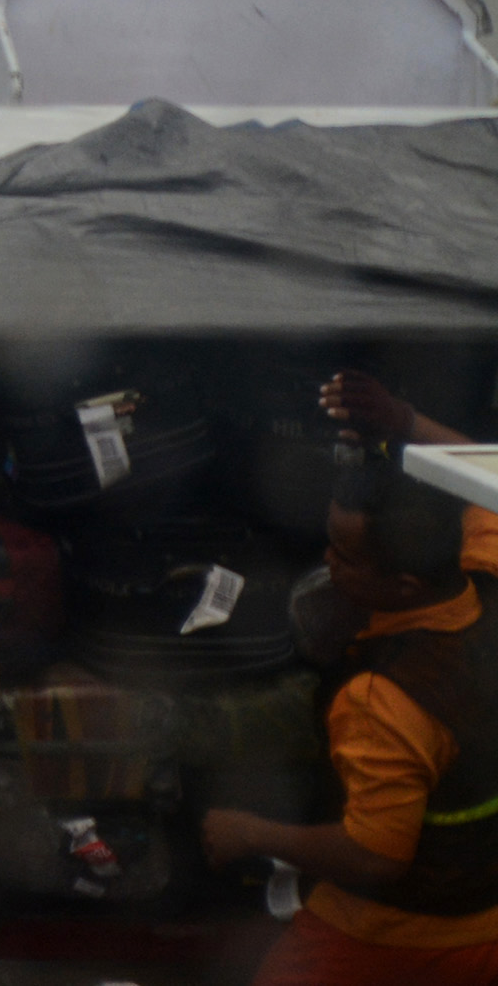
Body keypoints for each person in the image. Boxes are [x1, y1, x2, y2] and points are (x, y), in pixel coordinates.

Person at [200, 375, 498, 984]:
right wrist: (406, 422)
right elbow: (488, 485)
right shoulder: (487, 575)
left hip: (400, 933)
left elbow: (375, 854)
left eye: (345, 555)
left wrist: (250, 833)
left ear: (405, 587)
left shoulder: (383, 699)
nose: (328, 563)